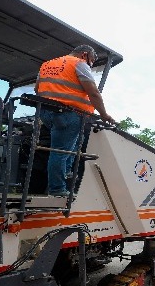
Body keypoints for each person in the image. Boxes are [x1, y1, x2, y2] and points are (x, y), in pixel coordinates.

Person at [35, 44, 116, 196]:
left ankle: (65, 178)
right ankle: (57, 189)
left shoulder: (47, 64)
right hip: (68, 113)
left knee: (69, 148)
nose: (90, 65)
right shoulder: (79, 64)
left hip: (46, 113)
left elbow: (37, 89)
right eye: (91, 61)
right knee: (60, 152)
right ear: (84, 55)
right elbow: (93, 93)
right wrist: (104, 115)